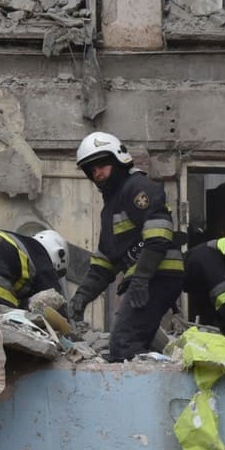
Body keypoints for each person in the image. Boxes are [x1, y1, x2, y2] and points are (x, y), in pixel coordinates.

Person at [62, 131, 185, 361]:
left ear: (118, 159)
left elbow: (159, 234)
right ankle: (162, 368)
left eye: (102, 165)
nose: (97, 173)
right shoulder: (111, 206)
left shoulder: (137, 186)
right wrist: (81, 297)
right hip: (148, 278)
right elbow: (105, 262)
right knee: (135, 341)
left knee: (123, 343)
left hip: (159, 275)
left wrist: (141, 278)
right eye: (92, 170)